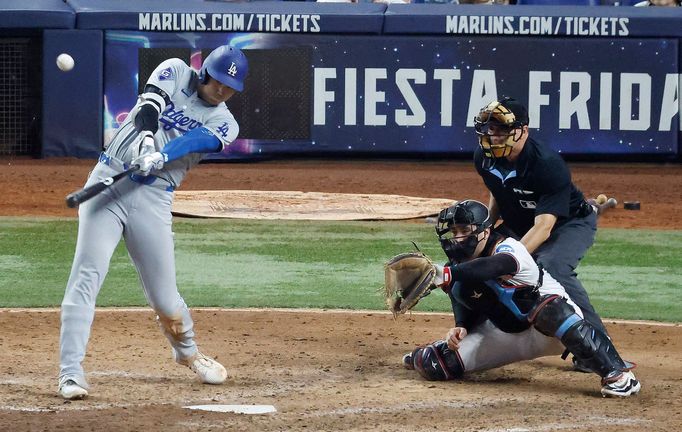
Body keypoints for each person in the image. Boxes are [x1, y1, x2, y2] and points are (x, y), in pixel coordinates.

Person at [58, 45, 248, 400]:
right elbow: (149, 106)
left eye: (230, 87)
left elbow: (198, 139)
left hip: (154, 198)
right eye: (219, 81)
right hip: (108, 182)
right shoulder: (176, 70)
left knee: (165, 299)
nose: (222, 90)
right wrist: (146, 136)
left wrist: (161, 154)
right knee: (86, 275)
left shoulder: (225, 123)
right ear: (205, 71)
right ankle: (70, 373)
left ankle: (189, 353)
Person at [402, 200, 641, 397]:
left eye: (465, 231)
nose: (457, 238)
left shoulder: (509, 248)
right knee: (435, 364)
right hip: (506, 336)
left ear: (485, 232)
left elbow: (494, 267)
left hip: (553, 330)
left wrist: (447, 274)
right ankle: (436, 354)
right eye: (454, 232)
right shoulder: (455, 269)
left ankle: (618, 375)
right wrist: (461, 326)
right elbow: (463, 297)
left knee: (550, 308)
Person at [471, 97, 613, 372]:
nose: (493, 135)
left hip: (567, 224)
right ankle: (472, 332)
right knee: (473, 252)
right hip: (522, 222)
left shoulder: (547, 165)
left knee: (552, 267)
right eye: (489, 129)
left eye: (500, 129)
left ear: (523, 130)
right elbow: (499, 191)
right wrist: (487, 231)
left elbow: (544, 228)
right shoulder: (484, 157)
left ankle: (597, 345)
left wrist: (509, 261)